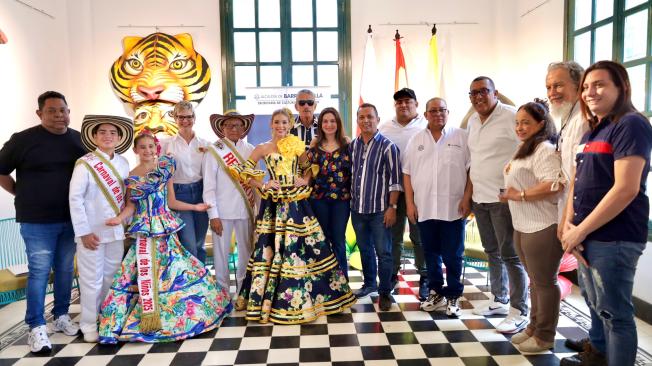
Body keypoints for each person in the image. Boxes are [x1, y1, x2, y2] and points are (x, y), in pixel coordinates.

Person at [98, 131, 232, 343]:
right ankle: (138, 320)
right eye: (143, 147)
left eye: (151, 147)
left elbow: (172, 202)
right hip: (144, 234)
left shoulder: (164, 170)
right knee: (143, 274)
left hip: (164, 229)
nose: (148, 151)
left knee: (175, 271)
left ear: (156, 148)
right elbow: (130, 206)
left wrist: (195, 207)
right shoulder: (131, 176)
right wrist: (118, 219)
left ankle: (180, 318)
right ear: (136, 150)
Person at [560, 61, 652, 366]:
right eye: (586, 86)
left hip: (615, 237)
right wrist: (567, 224)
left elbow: (626, 189)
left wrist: (580, 230)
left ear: (621, 87)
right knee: (597, 305)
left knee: (616, 315)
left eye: (599, 84)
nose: (589, 92)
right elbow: (577, 180)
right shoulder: (595, 130)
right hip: (587, 233)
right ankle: (598, 356)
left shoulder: (632, 124)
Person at [230, 108, 355, 323]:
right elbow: (243, 172)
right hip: (273, 204)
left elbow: (309, 169)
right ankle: (269, 299)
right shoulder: (261, 148)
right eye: (277, 122)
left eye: (284, 123)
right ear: (271, 124)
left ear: (290, 125)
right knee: (271, 248)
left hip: (298, 204)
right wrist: (263, 183)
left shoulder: (297, 146)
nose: (280, 126)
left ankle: (312, 296)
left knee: (302, 249)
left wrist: (304, 180)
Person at [0, 91, 86, 353]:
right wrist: (21, 193)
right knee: (39, 272)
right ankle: (36, 326)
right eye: (52, 111)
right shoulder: (23, 140)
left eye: (64, 110)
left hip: (70, 219)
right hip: (37, 220)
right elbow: (1, 171)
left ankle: (60, 315)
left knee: (64, 270)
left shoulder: (79, 139)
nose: (60, 115)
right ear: (40, 114)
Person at [499, 100, 565, 352]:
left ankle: (545, 336)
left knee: (545, 283)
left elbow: (553, 184)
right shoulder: (525, 148)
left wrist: (521, 195)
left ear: (541, 124)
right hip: (523, 225)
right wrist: (512, 194)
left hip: (542, 226)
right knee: (535, 282)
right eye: (517, 123)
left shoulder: (545, 149)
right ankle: (533, 328)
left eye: (526, 122)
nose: (520, 127)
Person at [467, 76, 529, 334]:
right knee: (491, 249)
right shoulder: (472, 120)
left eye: (484, 91)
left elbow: (528, 150)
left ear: (495, 93)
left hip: (503, 199)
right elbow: (473, 159)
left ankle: (519, 310)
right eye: (473, 93)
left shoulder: (511, 116)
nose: (479, 97)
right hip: (480, 197)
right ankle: (499, 299)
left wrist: (517, 184)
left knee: (511, 254)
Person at [403, 98, 471, 317]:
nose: (438, 114)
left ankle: (453, 295)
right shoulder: (416, 140)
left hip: (453, 209)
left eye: (442, 110)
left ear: (448, 112)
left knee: (453, 255)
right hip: (424, 208)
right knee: (430, 253)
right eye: (433, 111)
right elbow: (407, 173)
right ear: (425, 114)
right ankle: (435, 292)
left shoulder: (461, 137)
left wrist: (467, 198)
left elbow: (472, 171)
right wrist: (410, 203)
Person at [69, 116, 132, 343]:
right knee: (91, 280)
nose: (108, 136)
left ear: (119, 137)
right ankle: (88, 324)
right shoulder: (84, 163)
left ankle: (107, 320)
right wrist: (83, 232)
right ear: (94, 137)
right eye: (102, 132)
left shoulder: (124, 163)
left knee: (111, 279)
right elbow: (75, 199)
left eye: (112, 133)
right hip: (91, 233)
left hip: (115, 233)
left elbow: (128, 198)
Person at [350, 103, 401, 311]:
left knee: (384, 252)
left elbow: (396, 181)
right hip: (358, 209)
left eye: (370, 117)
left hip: (380, 209)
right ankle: (369, 284)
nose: (366, 120)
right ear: (357, 121)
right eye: (361, 117)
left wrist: (393, 207)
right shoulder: (353, 146)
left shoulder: (388, 146)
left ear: (378, 119)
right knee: (364, 249)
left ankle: (385, 292)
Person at [378, 87, 428, 300]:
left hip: (420, 191)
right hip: (394, 192)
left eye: (408, 101)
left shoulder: (426, 126)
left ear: (416, 104)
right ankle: (391, 275)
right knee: (394, 236)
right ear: (394, 106)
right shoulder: (385, 127)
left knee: (420, 237)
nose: (404, 105)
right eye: (399, 102)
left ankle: (425, 276)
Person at [204, 111, 256, 298]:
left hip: (245, 210)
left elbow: (255, 182)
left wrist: (256, 212)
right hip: (222, 213)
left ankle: (244, 293)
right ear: (222, 128)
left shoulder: (250, 149)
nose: (234, 129)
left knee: (247, 254)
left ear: (244, 129)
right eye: (229, 125)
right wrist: (213, 215)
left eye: (238, 125)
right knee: (220, 254)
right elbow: (208, 186)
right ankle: (222, 295)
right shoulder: (213, 150)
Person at [160, 101, 210, 263]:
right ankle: (191, 283)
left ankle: (203, 282)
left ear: (194, 118)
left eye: (189, 117)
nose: (185, 120)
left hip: (201, 191)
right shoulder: (165, 144)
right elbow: (158, 171)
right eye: (181, 117)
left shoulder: (205, 144)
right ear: (175, 118)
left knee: (200, 243)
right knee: (188, 242)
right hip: (178, 194)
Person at [306, 107, 351, 279]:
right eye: (325, 121)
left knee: (339, 240)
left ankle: (342, 281)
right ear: (321, 124)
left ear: (338, 123)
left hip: (342, 200)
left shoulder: (347, 144)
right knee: (322, 239)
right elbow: (309, 172)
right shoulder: (315, 144)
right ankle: (324, 281)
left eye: (333, 121)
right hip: (319, 199)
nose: (329, 124)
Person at [546, 61, 588, 221]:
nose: (552, 93)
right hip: (567, 208)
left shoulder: (583, 120)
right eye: (548, 87)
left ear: (578, 85)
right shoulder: (568, 117)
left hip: (578, 212)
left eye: (558, 85)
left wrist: (566, 219)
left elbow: (581, 175)